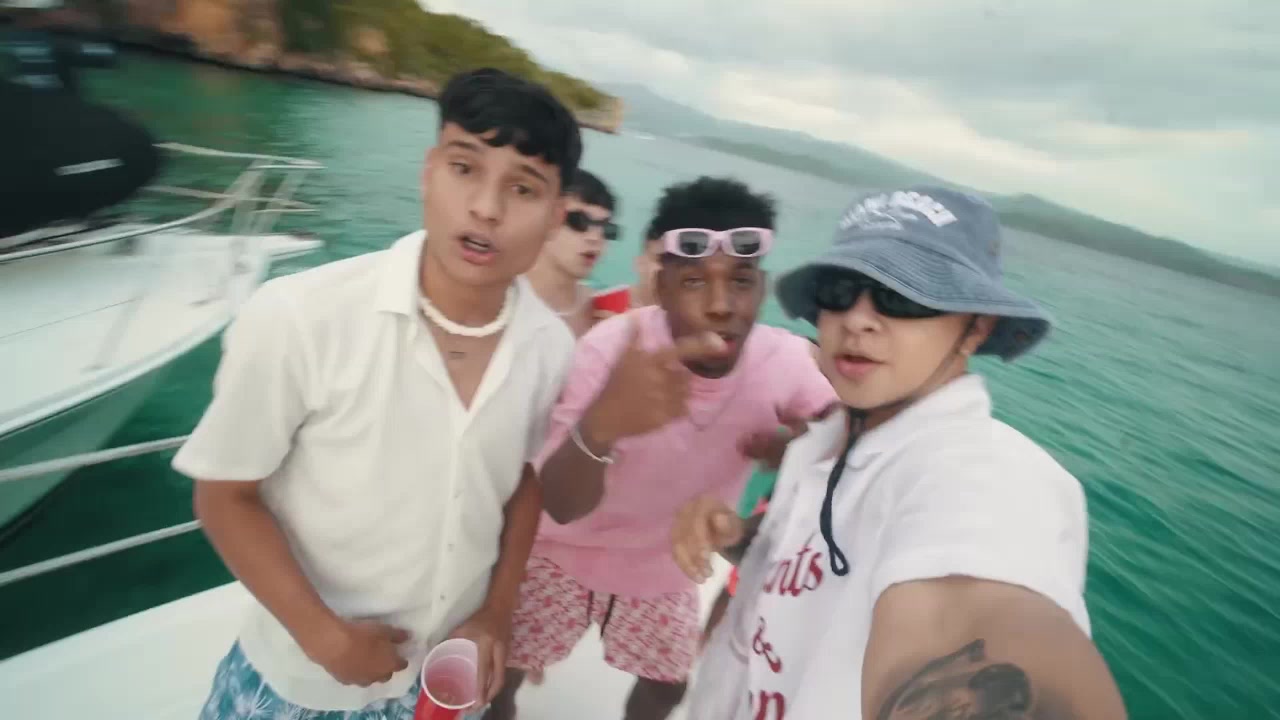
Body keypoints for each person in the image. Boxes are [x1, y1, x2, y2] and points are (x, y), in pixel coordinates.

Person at [173, 67, 583, 720]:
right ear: (428, 172)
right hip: (295, 686)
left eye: (523, 187)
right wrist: (322, 635)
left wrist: (497, 613)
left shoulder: (550, 347)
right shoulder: (300, 316)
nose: (486, 207)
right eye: (464, 168)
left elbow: (520, 483)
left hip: (439, 687)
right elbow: (223, 493)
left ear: (556, 216)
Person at [672, 187, 1128, 719]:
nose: (858, 319)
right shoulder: (824, 437)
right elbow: (800, 562)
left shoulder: (982, 473)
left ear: (976, 327)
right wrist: (736, 536)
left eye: (905, 296)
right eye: (842, 290)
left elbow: (966, 610)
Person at [484, 177, 838, 720]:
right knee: (502, 677)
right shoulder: (612, 348)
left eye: (741, 281)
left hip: (663, 566)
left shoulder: (785, 362)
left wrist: (793, 449)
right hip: (561, 553)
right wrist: (602, 425)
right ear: (663, 285)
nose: (721, 305)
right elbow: (558, 503)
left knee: (665, 688)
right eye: (694, 282)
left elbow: (856, 441)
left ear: (762, 287)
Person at [525, 168, 620, 336]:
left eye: (606, 228)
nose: (595, 237)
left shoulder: (604, 313)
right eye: (579, 221)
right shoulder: (497, 297)